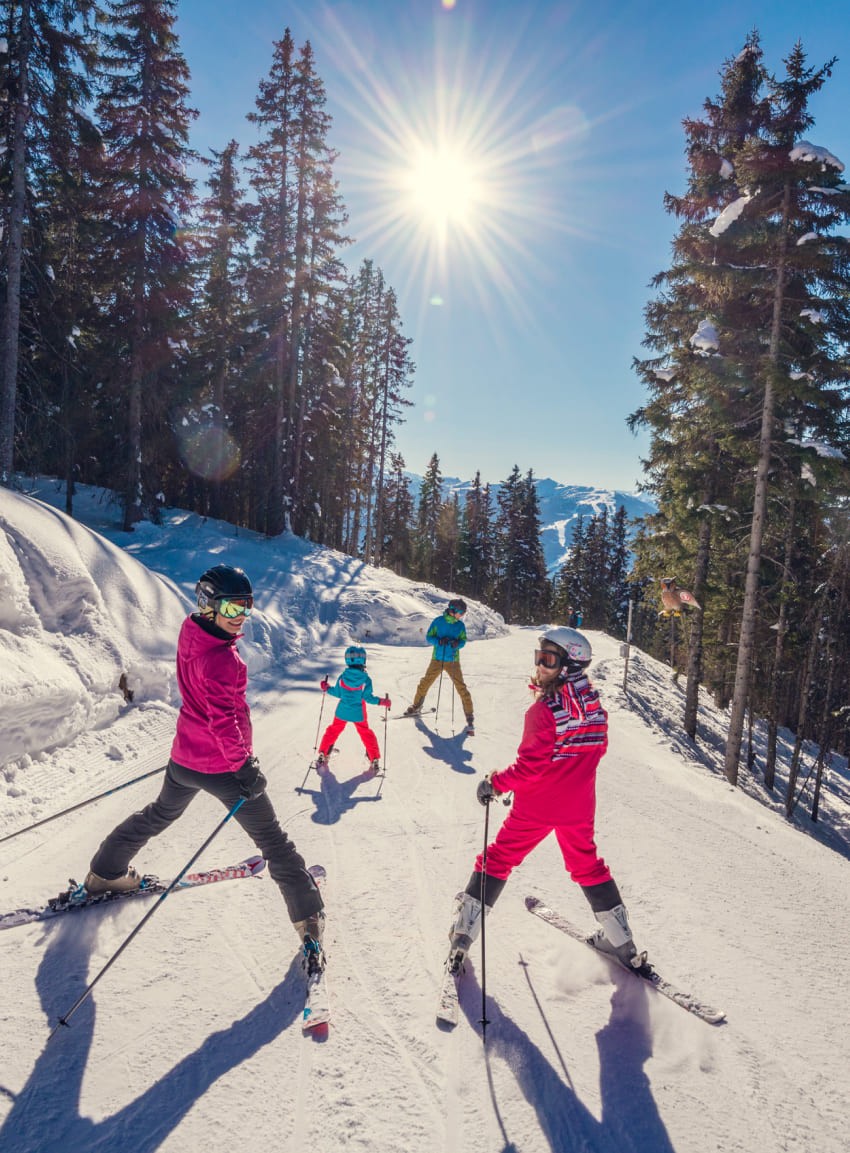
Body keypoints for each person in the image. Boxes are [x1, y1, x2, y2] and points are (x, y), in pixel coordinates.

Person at [84, 564, 325, 961]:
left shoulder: (192, 632)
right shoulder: (223, 660)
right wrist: (243, 767)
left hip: (185, 759)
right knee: (273, 842)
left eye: (246, 608)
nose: (240, 617)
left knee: (158, 814)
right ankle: (308, 917)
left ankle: (105, 873)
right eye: (231, 608)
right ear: (208, 605)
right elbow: (223, 720)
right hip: (224, 769)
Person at [445, 626, 645, 976]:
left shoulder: (543, 711)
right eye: (539, 657)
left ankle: (463, 934)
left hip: (536, 806)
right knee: (587, 865)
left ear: (569, 666)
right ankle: (622, 942)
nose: (540, 665)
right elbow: (598, 748)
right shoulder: (593, 704)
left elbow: (530, 767)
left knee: (499, 858)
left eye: (549, 660)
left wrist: (495, 783)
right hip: (578, 806)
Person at [403, 598, 474, 733]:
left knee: (461, 687)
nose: (462, 615)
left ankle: (469, 714)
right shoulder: (438, 621)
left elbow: (463, 641)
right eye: (461, 612)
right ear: (453, 610)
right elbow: (429, 637)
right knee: (425, 683)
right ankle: (416, 706)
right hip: (437, 659)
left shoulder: (460, 626)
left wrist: (457, 644)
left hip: (453, 660)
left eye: (463, 613)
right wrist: (439, 641)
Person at [317, 645, 390, 776]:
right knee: (366, 733)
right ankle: (374, 759)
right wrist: (382, 701)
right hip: (358, 713)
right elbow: (368, 698)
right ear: (363, 660)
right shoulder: (366, 680)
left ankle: (323, 753)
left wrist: (326, 687)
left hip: (342, 711)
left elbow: (337, 693)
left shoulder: (343, 677)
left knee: (333, 730)